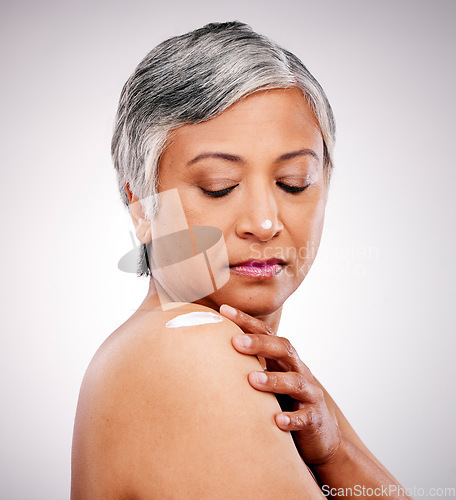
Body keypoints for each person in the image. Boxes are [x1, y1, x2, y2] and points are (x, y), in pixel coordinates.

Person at [71, 21, 411, 499]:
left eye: (294, 181)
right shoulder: (190, 350)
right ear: (141, 206)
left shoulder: (254, 364)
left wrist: (338, 454)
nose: (264, 222)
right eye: (219, 186)